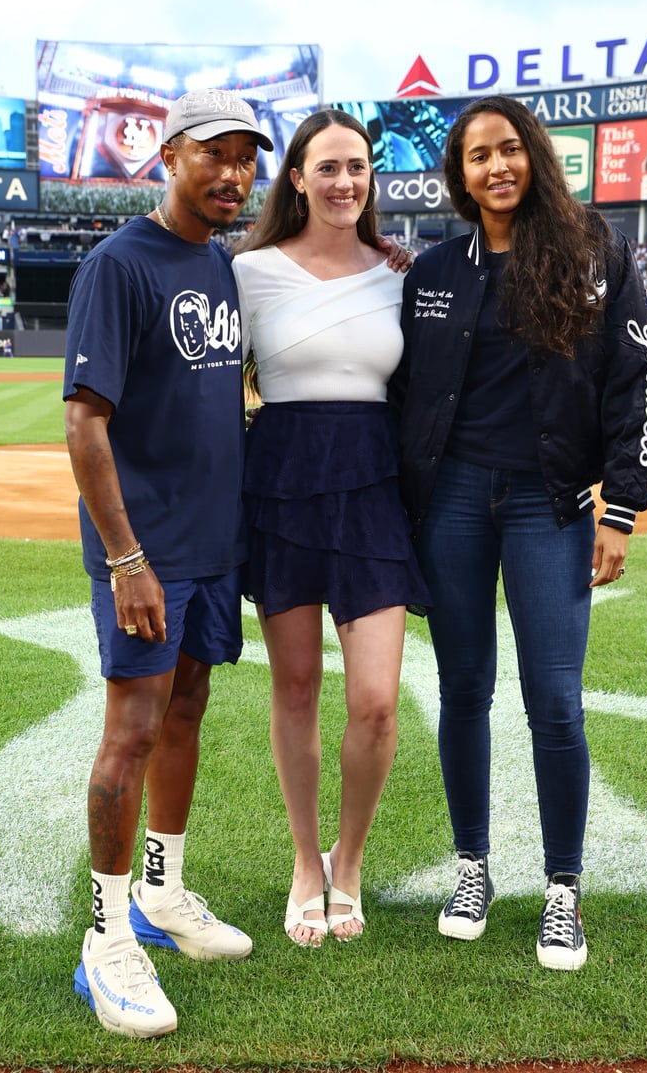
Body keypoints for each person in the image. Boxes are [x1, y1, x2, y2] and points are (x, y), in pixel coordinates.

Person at [389, 95, 647, 971]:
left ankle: (563, 889)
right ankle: (473, 865)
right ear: (458, 175)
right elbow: (399, 399)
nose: (496, 167)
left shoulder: (595, 250)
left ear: (535, 155)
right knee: (463, 688)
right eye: (477, 156)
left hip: (552, 505)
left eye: (509, 150)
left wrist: (620, 507)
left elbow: (633, 379)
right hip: (455, 503)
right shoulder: (431, 270)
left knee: (555, 699)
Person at [63, 89, 274, 1038]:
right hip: (147, 554)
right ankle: (106, 940)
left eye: (247, 160)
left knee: (188, 710)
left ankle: (163, 893)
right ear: (168, 160)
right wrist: (126, 559)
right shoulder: (118, 264)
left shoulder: (220, 266)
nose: (234, 175)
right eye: (215, 156)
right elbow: (84, 420)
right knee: (132, 731)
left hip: (213, 544)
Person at [232, 109, 428, 947]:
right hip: (281, 480)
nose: (344, 181)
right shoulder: (247, 270)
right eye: (328, 167)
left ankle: (349, 862)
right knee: (299, 688)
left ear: (370, 177)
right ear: (299, 179)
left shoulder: (401, 274)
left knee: (377, 701)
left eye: (358, 166)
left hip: (375, 485)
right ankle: (306, 863)